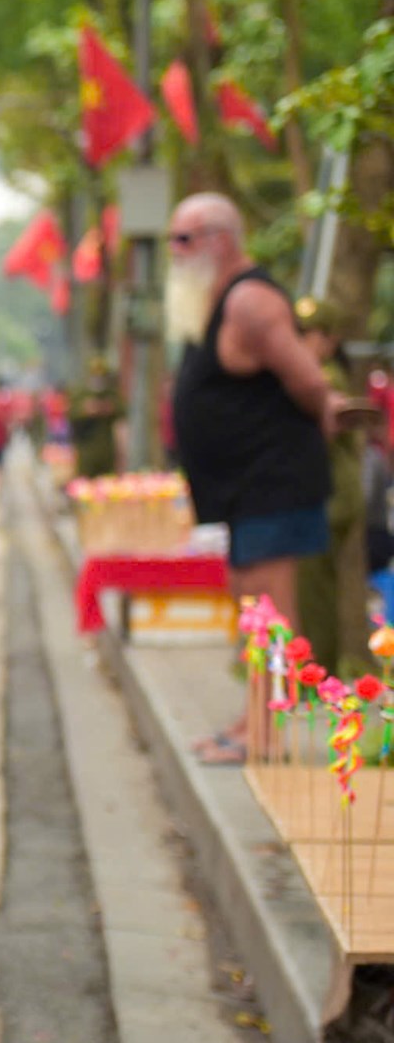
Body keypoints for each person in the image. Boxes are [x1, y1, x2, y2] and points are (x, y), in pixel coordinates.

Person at [167, 193, 339, 764]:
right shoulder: (213, 303)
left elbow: (308, 380)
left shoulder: (250, 301)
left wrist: (328, 413)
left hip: (274, 480)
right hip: (242, 488)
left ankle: (267, 735)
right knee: (250, 607)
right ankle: (251, 719)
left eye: (184, 239)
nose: (175, 252)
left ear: (221, 239)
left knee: (270, 610)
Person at [294, 298, 369, 677]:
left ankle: (319, 676)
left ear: (330, 339)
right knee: (313, 591)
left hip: (332, 497)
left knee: (315, 593)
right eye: (300, 333)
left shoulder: (324, 379)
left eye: (313, 334)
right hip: (329, 494)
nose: (305, 341)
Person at [65, 355, 125, 480]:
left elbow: (122, 410)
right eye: (95, 374)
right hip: (86, 447)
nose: (98, 378)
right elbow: (70, 414)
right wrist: (86, 410)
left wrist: (108, 408)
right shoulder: (80, 393)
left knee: (107, 483)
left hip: (106, 447)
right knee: (85, 483)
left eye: (101, 374)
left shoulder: (111, 393)